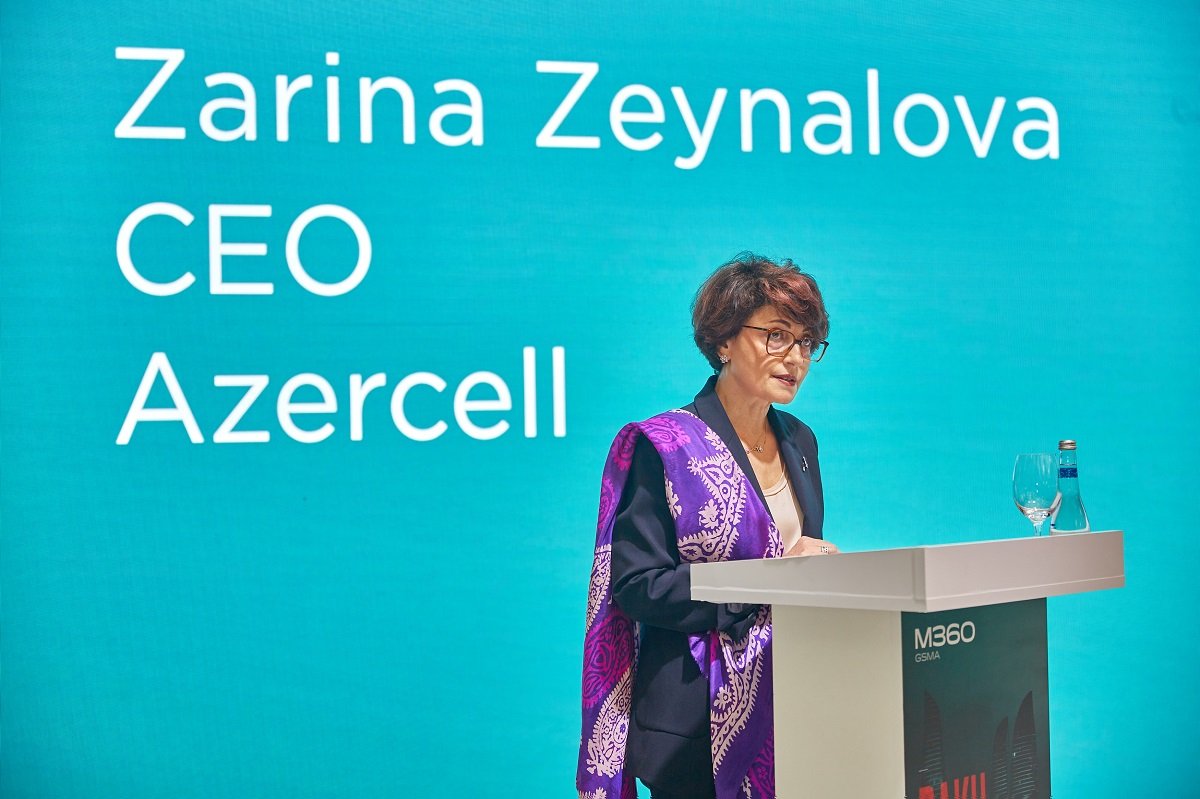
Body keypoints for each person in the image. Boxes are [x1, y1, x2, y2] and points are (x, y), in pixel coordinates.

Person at [577, 253, 837, 799]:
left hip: (791, 705)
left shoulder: (801, 441)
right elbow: (638, 586)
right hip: (692, 724)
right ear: (724, 341)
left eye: (807, 342)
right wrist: (770, 578)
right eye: (777, 335)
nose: (795, 357)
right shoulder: (665, 445)